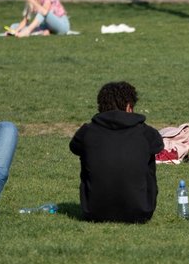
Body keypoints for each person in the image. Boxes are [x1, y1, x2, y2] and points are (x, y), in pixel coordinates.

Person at [69, 82, 164, 223]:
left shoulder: (87, 132)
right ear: (129, 107)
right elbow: (158, 145)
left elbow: (74, 147)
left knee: (87, 154)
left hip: (94, 212)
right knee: (148, 156)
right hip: (140, 212)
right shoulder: (146, 133)